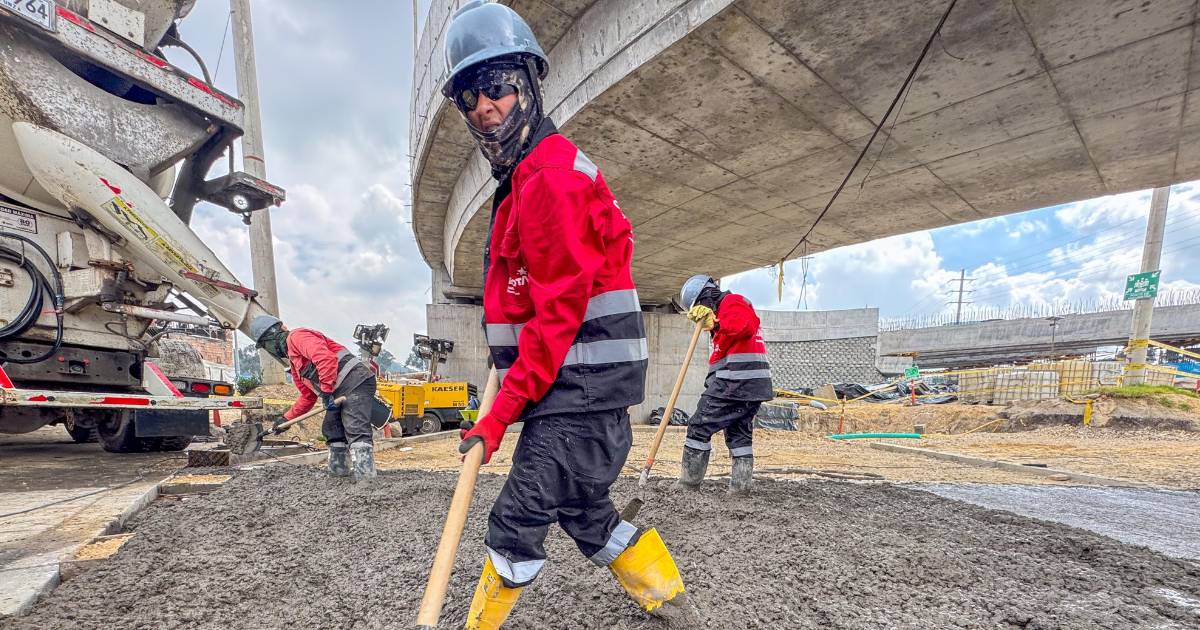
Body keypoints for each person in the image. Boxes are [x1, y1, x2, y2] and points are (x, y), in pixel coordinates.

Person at [439, 2, 692, 627]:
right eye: (469, 95)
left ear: (527, 81)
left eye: (496, 86)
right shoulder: (523, 180)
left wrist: (495, 419)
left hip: (580, 394)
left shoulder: (551, 179)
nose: (484, 106)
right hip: (573, 396)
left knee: (515, 520)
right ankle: (673, 605)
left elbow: (556, 324)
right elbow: (525, 309)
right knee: (586, 517)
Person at [248, 315, 378, 481]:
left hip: (356, 381)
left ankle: (367, 481)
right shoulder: (295, 366)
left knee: (355, 426)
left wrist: (326, 391)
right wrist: (286, 419)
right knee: (332, 428)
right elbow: (307, 397)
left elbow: (326, 358)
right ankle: (339, 478)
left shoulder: (297, 337)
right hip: (336, 391)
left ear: (269, 339)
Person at [676, 275, 773, 494]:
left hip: (736, 383)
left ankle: (688, 486)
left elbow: (744, 326)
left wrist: (717, 323)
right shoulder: (723, 315)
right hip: (750, 385)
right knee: (739, 435)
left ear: (706, 296)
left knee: (699, 426)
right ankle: (740, 491)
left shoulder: (732, 303)